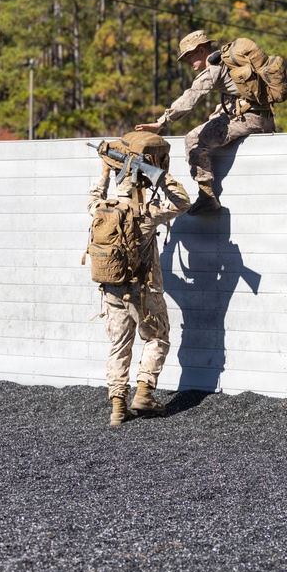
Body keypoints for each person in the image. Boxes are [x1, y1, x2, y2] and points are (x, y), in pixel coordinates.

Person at [88, 143, 191, 427]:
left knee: (120, 345)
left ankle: (118, 406)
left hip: (111, 289)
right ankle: (144, 392)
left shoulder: (99, 210)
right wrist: (160, 175)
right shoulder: (146, 213)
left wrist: (105, 172)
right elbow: (183, 202)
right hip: (143, 292)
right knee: (157, 337)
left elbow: (94, 194)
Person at [135, 30, 276, 215]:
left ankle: (206, 196)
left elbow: (191, 97)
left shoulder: (214, 68)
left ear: (202, 51)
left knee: (193, 139)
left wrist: (161, 122)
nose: (186, 60)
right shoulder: (228, 63)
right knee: (212, 120)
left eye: (189, 55)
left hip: (248, 119)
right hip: (263, 118)